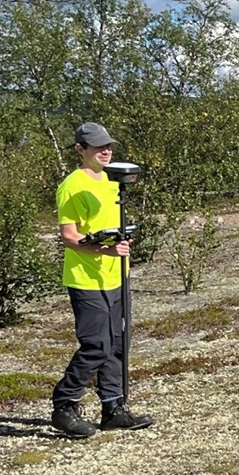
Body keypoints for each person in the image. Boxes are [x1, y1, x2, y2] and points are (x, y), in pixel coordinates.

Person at [51, 123, 152, 439]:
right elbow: (68, 237)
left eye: (107, 145)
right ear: (80, 149)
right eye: (97, 146)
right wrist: (102, 249)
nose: (105, 151)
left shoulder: (113, 180)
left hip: (117, 276)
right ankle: (64, 405)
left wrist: (122, 242)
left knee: (118, 344)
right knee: (96, 345)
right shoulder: (72, 186)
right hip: (87, 278)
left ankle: (113, 408)